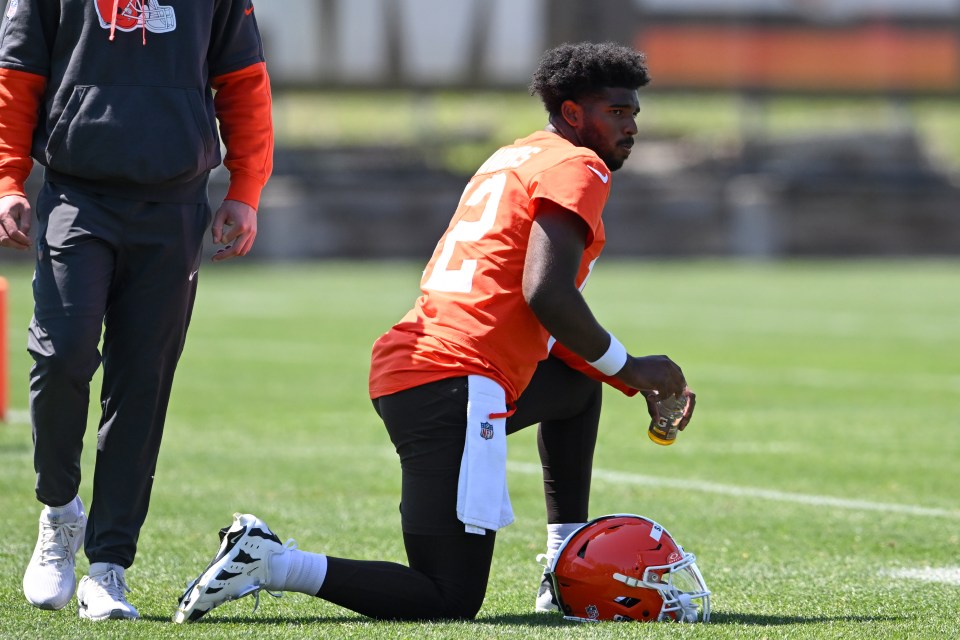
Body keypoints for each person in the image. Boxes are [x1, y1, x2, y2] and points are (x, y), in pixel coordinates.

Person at [174, 41, 695, 624]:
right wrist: (635, 367)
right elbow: (547, 294)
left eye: (634, 114)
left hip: (428, 365)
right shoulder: (579, 164)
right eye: (616, 112)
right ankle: (270, 562)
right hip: (454, 381)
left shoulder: (518, 156)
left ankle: (561, 564)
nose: (630, 127)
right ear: (573, 114)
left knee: (576, 391)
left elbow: (540, 321)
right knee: (448, 597)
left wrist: (630, 379)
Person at [0, 0, 273, 621]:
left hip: (175, 204)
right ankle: (60, 509)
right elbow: (16, 75)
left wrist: (246, 188)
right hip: (78, 193)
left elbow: (243, 80)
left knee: (141, 385)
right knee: (62, 352)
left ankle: (108, 568)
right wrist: (8, 180)